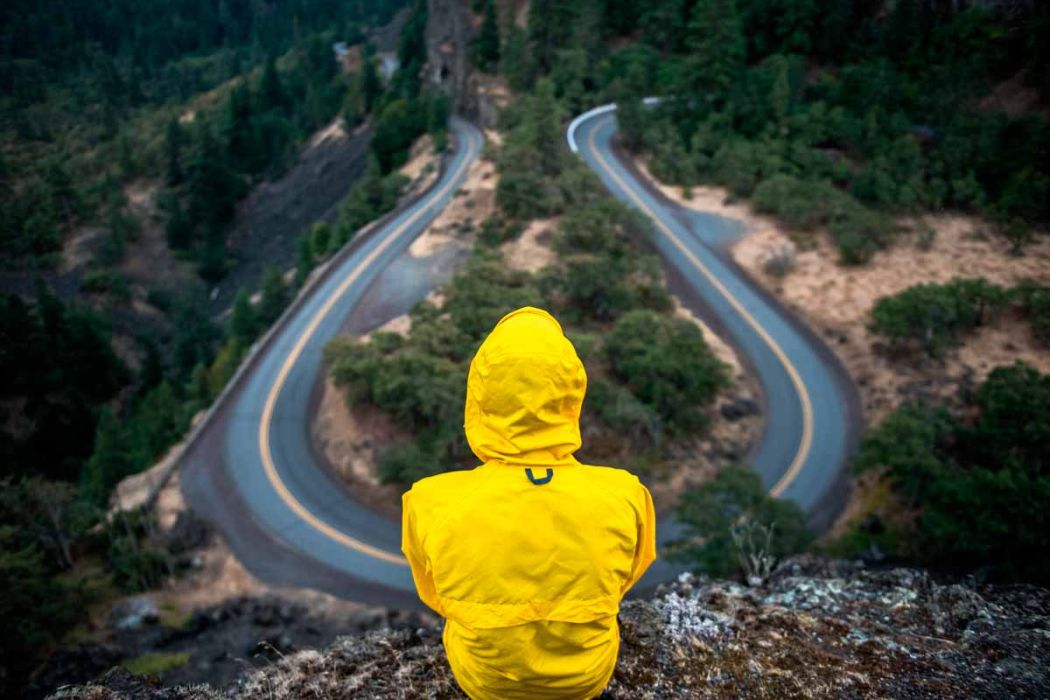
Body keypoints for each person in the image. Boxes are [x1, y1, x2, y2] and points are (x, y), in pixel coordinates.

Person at [401, 307, 656, 700]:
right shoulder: (626, 495)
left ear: (479, 400)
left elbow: (436, 594)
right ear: (572, 396)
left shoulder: (429, 501)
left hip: (486, 683)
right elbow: (623, 582)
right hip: (586, 679)